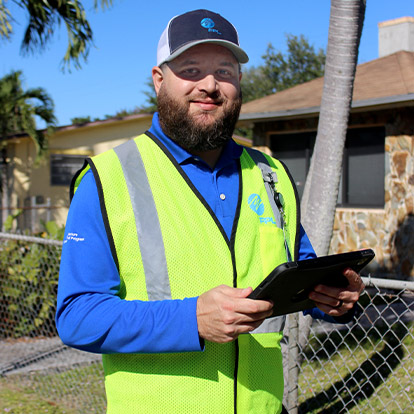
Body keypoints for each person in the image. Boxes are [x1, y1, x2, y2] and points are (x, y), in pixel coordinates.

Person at [56, 9, 364, 414]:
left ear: (239, 83)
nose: (209, 85)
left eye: (225, 71)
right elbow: (78, 316)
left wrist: (332, 297)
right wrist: (191, 320)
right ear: (159, 79)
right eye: (190, 68)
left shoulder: (272, 174)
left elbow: (298, 272)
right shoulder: (107, 179)